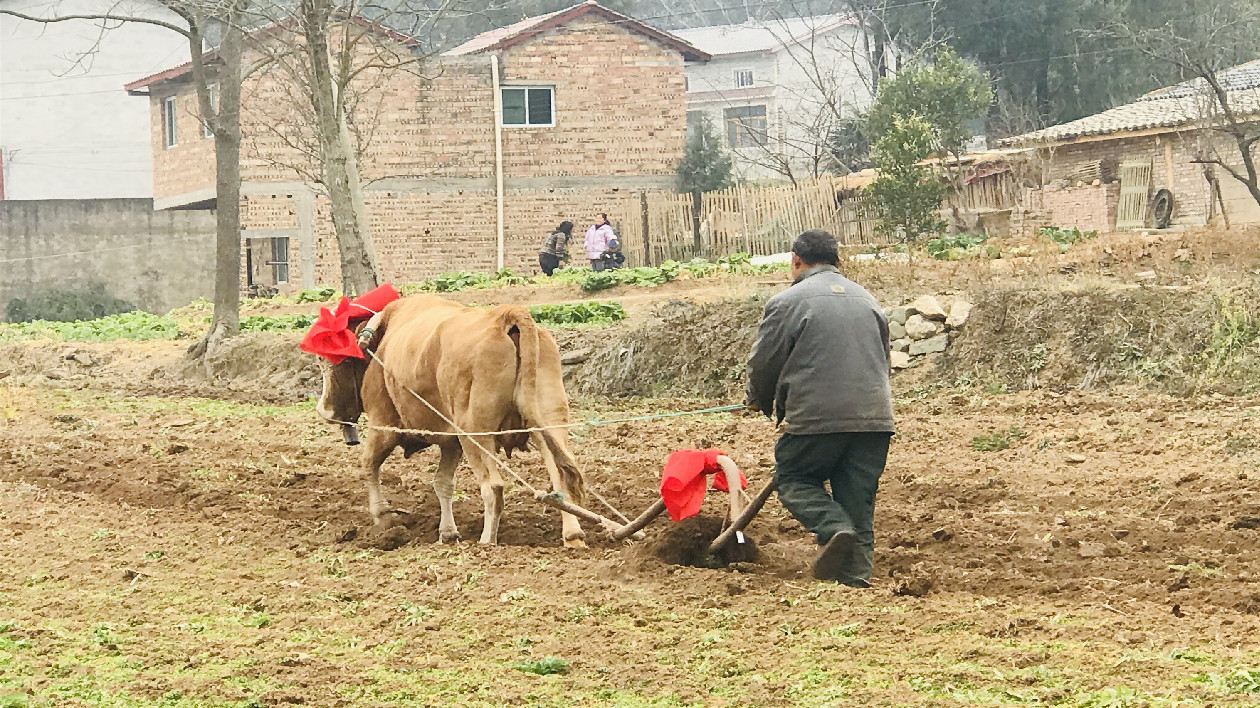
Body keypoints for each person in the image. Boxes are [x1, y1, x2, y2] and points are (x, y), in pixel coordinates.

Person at [744, 229, 894, 587]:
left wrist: (759, 401)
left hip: (815, 418)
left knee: (794, 478)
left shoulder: (786, 302)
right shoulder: (869, 300)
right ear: (838, 262)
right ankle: (854, 580)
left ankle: (833, 527)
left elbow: (764, 364)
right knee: (858, 499)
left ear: (795, 261)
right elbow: (883, 360)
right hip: (875, 419)